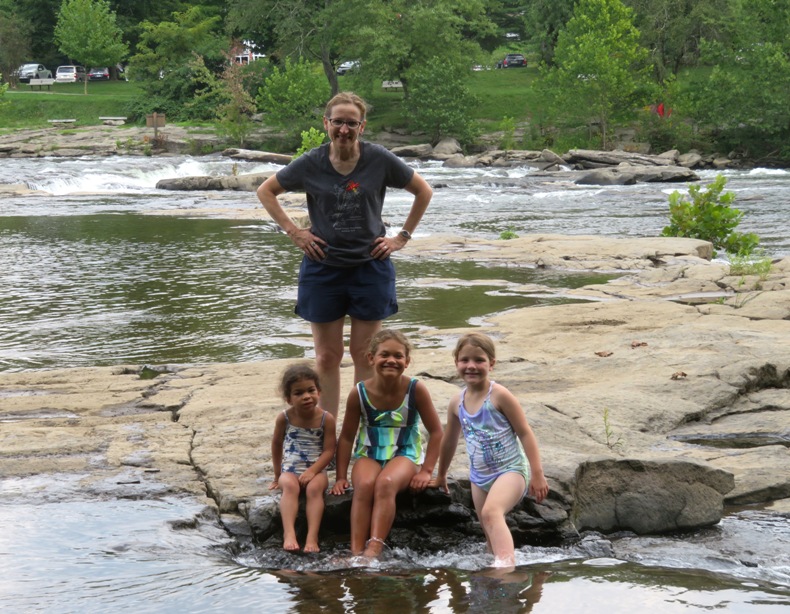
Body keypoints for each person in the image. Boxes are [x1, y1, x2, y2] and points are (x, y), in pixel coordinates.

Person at [256, 92, 433, 418]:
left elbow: (423, 191)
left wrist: (401, 237)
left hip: (370, 268)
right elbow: (266, 191)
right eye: (337, 122)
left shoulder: (378, 159)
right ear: (326, 123)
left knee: (365, 354)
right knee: (327, 357)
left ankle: (360, 427)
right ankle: (328, 429)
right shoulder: (311, 162)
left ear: (361, 126)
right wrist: (294, 231)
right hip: (323, 269)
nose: (344, 129)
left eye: (351, 123)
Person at [431, 332, 549, 568]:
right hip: (480, 477)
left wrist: (537, 473)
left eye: (479, 360)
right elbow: (450, 440)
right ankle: (494, 596)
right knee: (489, 535)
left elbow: (525, 432)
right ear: (456, 363)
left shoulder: (500, 396)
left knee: (491, 513)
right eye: (465, 360)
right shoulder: (457, 402)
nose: (471, 366)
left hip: (511, 470)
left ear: (491, 364)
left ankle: (506, 569)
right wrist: (441, 474)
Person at [330, 329, 443, 557]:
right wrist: (341, 476)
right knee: (365, 485)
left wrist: (427, 470)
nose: (391, 360)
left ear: (407, 361)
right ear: (371, 358)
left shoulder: (415, 389)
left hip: (405, 453)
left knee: (386, 482)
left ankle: (374, 548)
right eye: (384, 355)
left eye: (398, 356)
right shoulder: (359, 393)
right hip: (369, 453)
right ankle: (355, 551)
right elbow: (346, 437)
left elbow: (437, 432)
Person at [270, 363, 337, 553]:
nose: (306, 396)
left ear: (319, 391)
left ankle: (312, 536)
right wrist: (277, 476)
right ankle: (289, 533)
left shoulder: (326, 419)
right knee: (289, 487)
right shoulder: (285, 418)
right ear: (289, 399)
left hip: (316, 471)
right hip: (290, 470)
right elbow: (276, 444)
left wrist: (312, 471)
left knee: (314, 490)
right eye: (298, 393)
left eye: (311, 390)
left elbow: (329, 451)